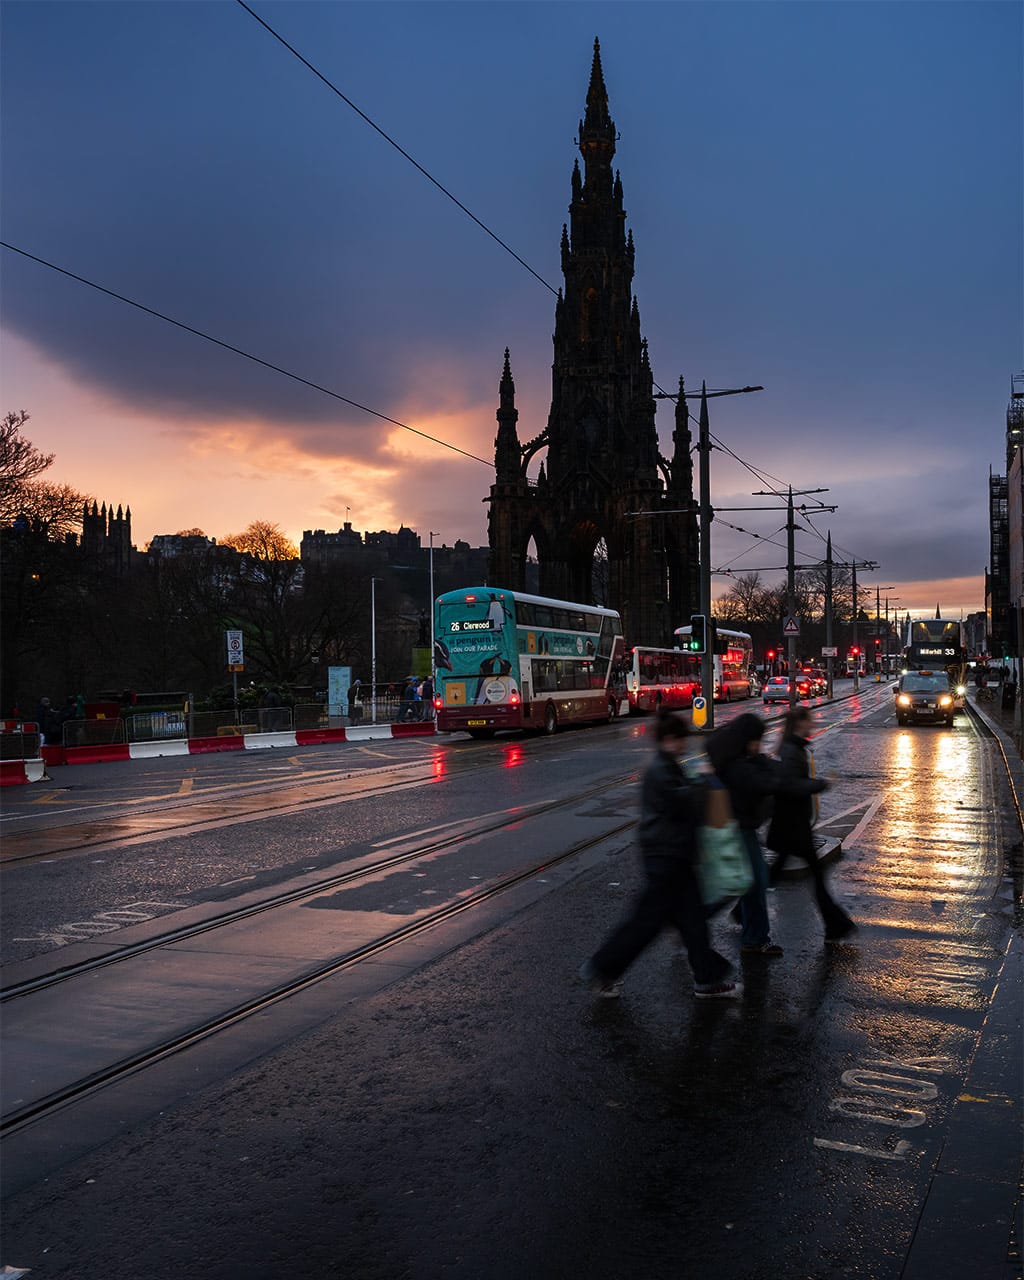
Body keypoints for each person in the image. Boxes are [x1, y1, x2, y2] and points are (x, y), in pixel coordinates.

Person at [581, 709, 739, 1000]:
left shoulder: (667, 765)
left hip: (675, 856)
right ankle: (602, 969)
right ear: (669, 739)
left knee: (691, 922)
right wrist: (704, 781)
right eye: (681, 739)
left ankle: (708, 979)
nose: (684, 745)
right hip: (666, 858)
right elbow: (683, 803)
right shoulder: (661, 769)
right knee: (647, 924)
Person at [767, 706, 856, 943]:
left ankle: (741, 910)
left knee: (776, 874)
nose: (814, 724)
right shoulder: (791, 750)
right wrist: (820, 784)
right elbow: (791, 785)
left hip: (791, 823)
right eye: (810, 721)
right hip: (793, 824)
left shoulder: (793, 747)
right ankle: (836, 925)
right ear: (800, 724)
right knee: (817, 876)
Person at [707, 712, 783, 957]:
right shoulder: (738, 766)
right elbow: (764, 784)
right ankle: (691, 918)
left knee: (749, 883)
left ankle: (754, 937)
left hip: (740, 827)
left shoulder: (733, 757)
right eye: (757, 740)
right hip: (738, 829)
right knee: (751, 882)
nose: (759, 745)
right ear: (748, 739)